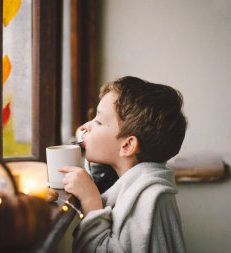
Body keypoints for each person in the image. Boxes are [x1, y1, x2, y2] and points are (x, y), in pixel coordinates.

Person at [59, 76, 187, 253]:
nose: (86, 126)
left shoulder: (148, 198)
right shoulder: (133, 182)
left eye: (98, 121)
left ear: (127, 145)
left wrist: (90, 200)